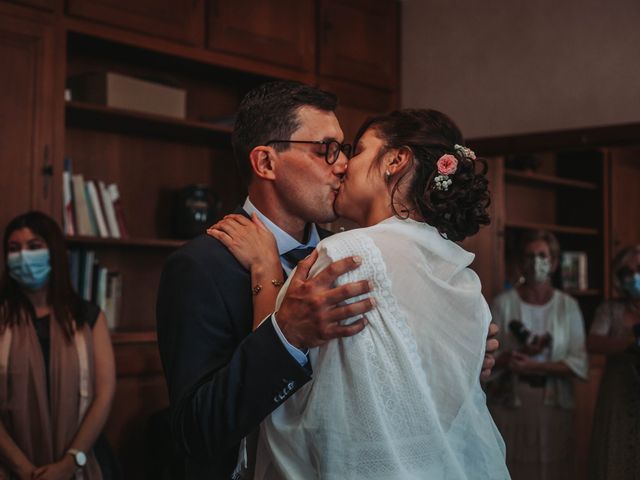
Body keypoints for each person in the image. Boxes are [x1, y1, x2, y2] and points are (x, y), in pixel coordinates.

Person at [156, 81, 499, 479]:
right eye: (326, 150)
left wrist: (460, 354)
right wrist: (284, 336)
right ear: (266, 163)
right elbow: (196, 432)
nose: (342, 165)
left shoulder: (358, 253)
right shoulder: (201, 266)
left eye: (346, 150)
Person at [0, 211, 116, 480]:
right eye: (14, 249)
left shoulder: (87, 317)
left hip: (78, 462)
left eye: (34, 247)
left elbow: (104, 395)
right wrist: (23, 469)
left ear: (53, 252)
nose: (24, 257)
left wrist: (69, 463)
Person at [486, 230, 588, 480]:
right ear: (521, 262)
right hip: (512, 402)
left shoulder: (568, 306)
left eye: (542, 255)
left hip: (554, 403)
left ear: (553, 262)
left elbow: (579, 362)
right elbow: (486, 358)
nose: (535, 262)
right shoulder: (503, 304)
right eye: (529, 256)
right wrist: (507, 361)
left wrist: (534, 366)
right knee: (512, 467)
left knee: (555, 468)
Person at [587, 244, 640, 479]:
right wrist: (629, 345)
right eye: (627, 273)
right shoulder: (611, 308)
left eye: (638, 269)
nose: (634, 277)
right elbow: (593, 342)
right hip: (618, 391)